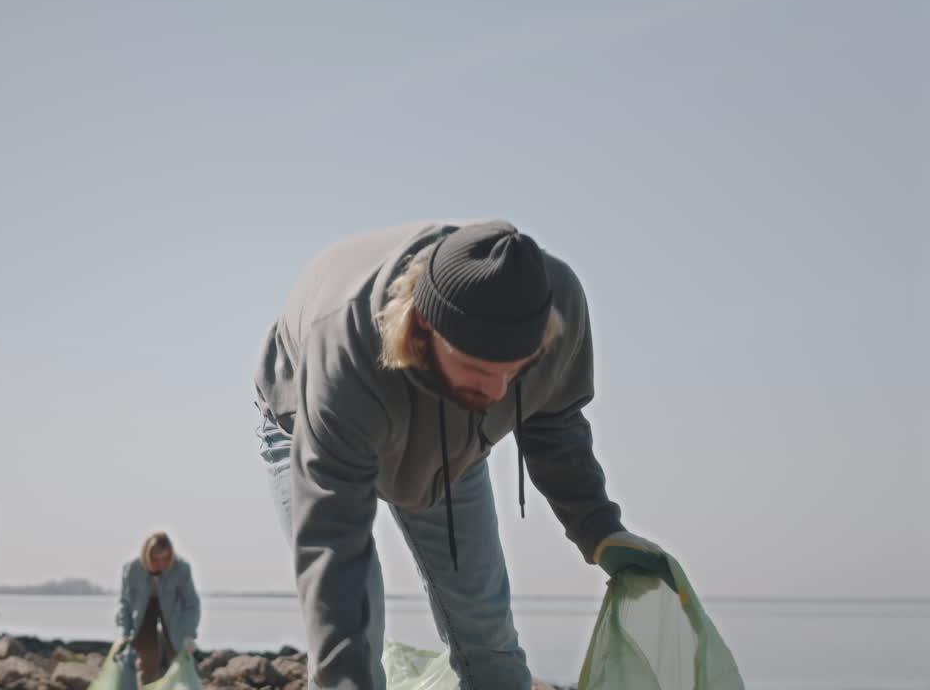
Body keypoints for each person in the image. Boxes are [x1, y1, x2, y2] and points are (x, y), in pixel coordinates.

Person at [253, 220, 674, 689]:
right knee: (356, 633)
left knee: (485, 628)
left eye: (513, 373)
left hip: (450, 446)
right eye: (477, 369)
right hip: (307, 421)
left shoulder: (558, 305)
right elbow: (333, 547)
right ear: (423, 324)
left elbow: (553, 421)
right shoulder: (344, 347)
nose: (496, 392)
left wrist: (598, 528)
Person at [115, 532, 200, 686]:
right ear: (146, 555)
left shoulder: (181, 568)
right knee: (148, 660)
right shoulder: (132, 569)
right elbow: (125, 604)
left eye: (165, 558)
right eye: (155, 558)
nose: (161, 563)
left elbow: (191, 604)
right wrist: (123, 632)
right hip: (143, 614)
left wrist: (188, 634)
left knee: (180, 656)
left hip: (173, 613)